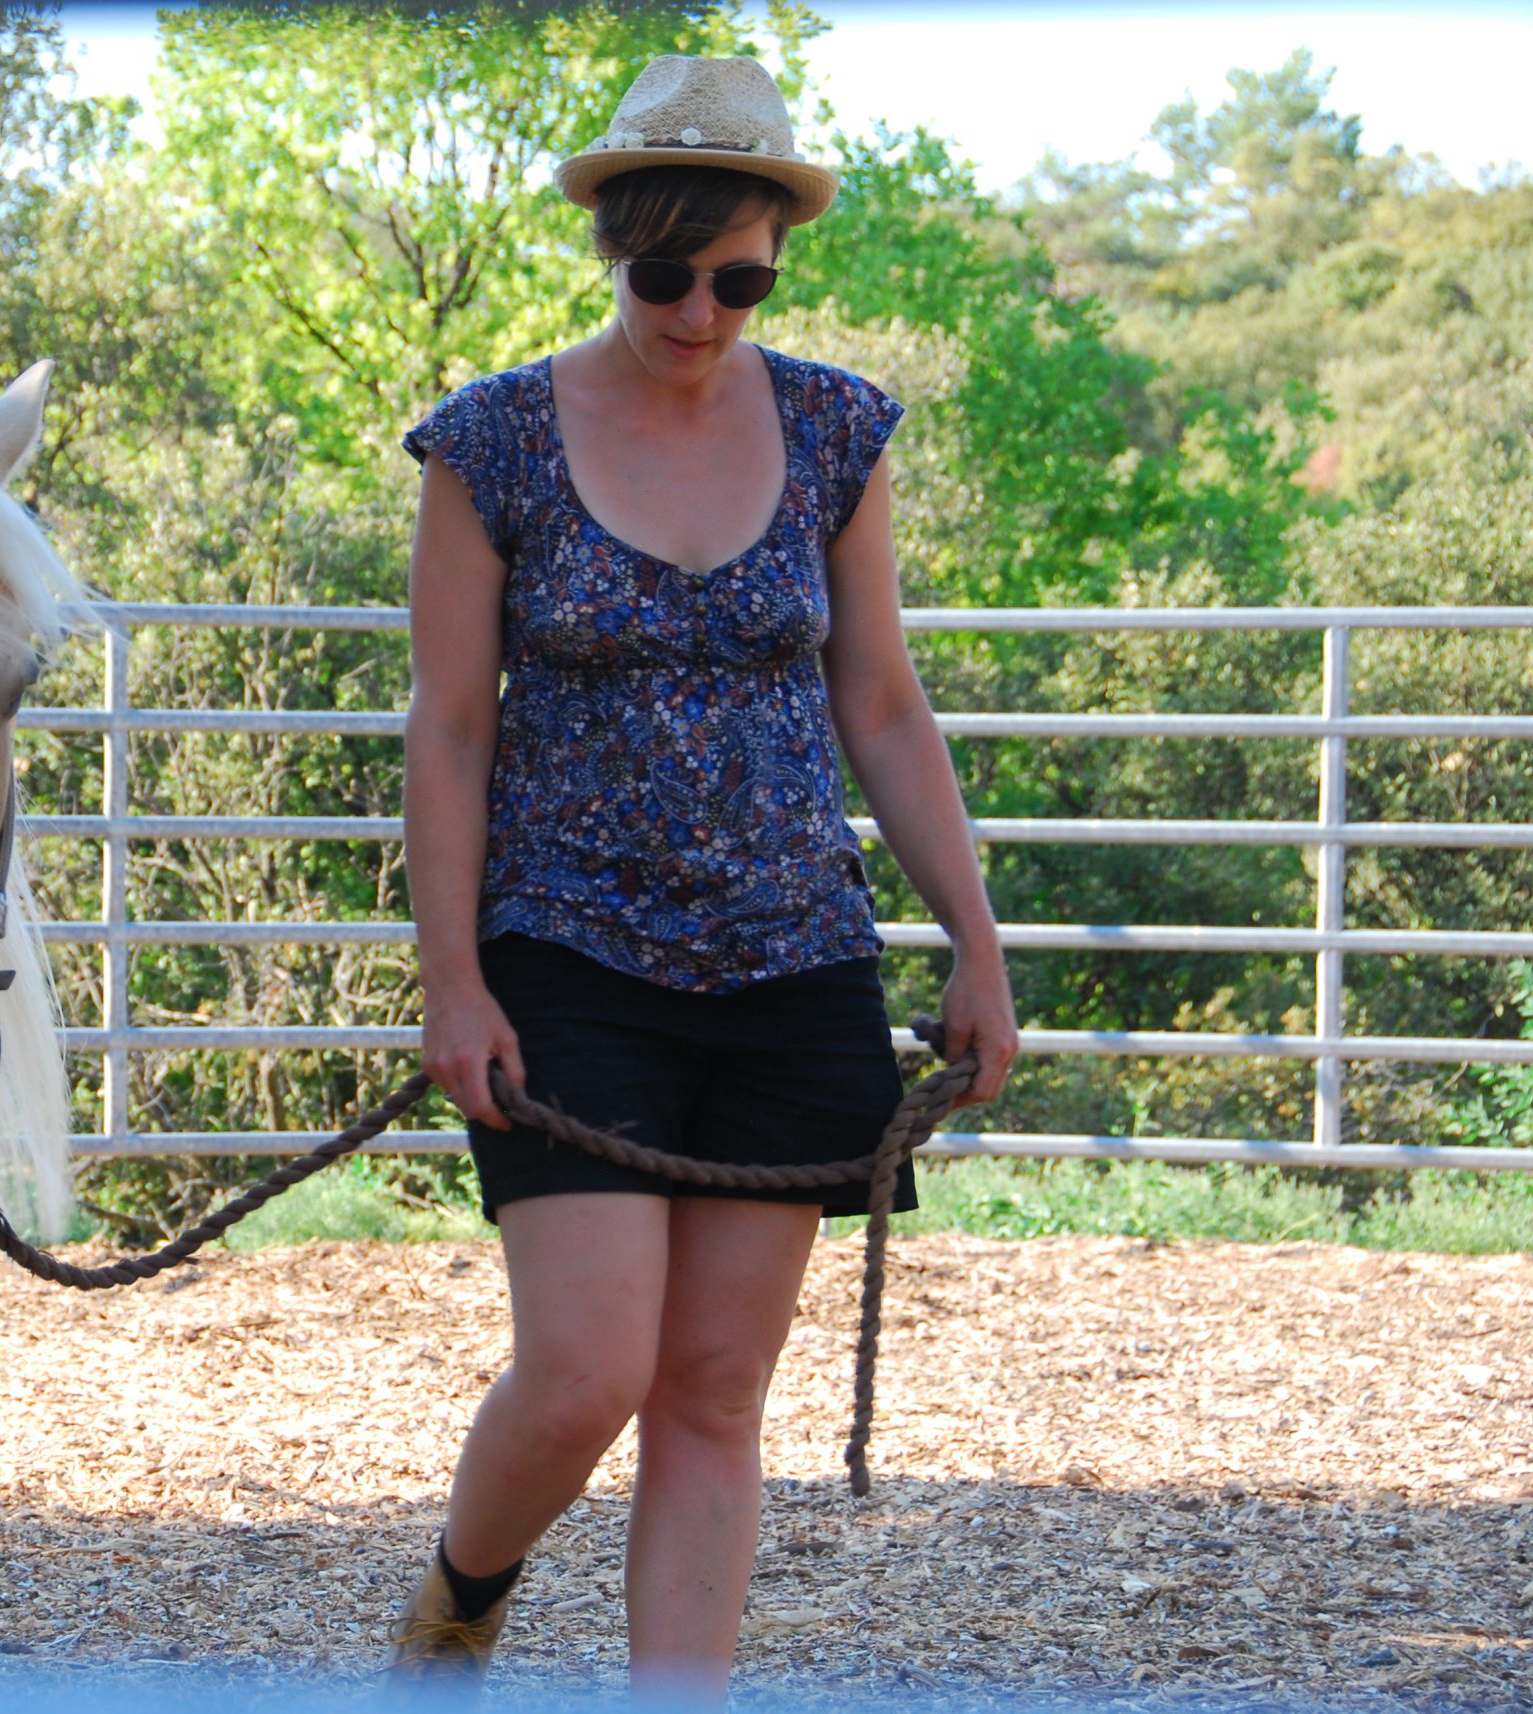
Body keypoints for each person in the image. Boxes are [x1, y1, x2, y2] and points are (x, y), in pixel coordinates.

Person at [392, 54, 1019, 1700]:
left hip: (791, 956)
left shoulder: (834, 429)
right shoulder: (492, 443)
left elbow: (880, 700)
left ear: (775, 262)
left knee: (719, 1388)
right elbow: (450, 729)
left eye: (739, 275)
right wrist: (452, 976)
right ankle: (460, 1600)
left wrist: (976, 938)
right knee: (587, 1364)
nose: (699, 308)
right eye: (667, 271)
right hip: (565, 947)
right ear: (615, 247)